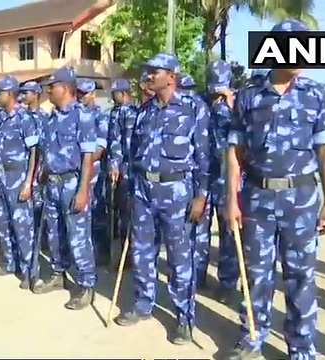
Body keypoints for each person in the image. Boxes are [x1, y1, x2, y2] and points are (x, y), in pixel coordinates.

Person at [224, 19, 325, 360]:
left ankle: (302, 348)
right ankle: (253, 337)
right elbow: (234, 151)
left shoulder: (316, 94)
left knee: (300, 277)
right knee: (257, 274)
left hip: (301, 200)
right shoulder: (248, 95)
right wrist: (232, 200)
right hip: (257, 197)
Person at [115, 53, 210, 345]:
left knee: (180, 258)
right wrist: (131, 190)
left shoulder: (194, 108)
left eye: (154, 71)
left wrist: (201, 195)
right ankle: (143, 303)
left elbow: (205, 154)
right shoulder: (144, 112)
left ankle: (184, 317)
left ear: (171, 75)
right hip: (144, 190)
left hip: (178, 192)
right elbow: (133, 155)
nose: (148, 76)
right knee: (142, 251)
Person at [31, 67, 97, 311]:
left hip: (72, 183)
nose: (49, 90)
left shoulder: (83, 116)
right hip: (52, 184)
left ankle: (86, 284)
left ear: (66, 88)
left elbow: (88, 157)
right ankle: (59, 274)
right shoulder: (50, 118)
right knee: (55, 233)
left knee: (78, 236)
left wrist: (83, 191)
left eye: (53, 86)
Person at [195, 60, 239, 303]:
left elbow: (245, 133)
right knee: (198, 228)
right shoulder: (198, 102)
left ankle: (227, 282)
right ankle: (198, 274)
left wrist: (231, 105)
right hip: (203, 174)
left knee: (228, 231)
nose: (216, 93)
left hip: (226, 176)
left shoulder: (237, 102)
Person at [0, 75, 39, 288]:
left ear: (9, 94)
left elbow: (35, 152)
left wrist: (29, 183)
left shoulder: (24, 119)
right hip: (1, 175)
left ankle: (30, 271)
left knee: (23, 225)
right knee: (5, 221)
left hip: (18, 176)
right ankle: (10, 263)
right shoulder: (2, 118)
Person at [76, 78, 109, 263]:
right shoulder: (76, 114)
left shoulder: (99, 116)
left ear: (93, 94)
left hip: (94, 170)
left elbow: (100, 147)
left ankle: (101, 252)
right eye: (79, 93)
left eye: (84, 93)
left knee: (96, 209)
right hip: (78, 170)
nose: (81, 97)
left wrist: (86, 162)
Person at [108, 78, 138, 253]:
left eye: (115, 94)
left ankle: (130, 252)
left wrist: (116, 163)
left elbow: (124, 142)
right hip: (119, 166)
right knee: (119, 210)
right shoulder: (116, 111)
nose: (113, 97)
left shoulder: (130, 112)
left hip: (128, 167)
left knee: (128, 211)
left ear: (124, 93)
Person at [20, 81, 49, 225]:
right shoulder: (21, 116)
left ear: (36, 94)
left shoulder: (44, 117)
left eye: (26, 93)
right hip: (22, 167)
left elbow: (40, 148)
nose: (22, 96)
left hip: (37, 169)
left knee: (38, 205)